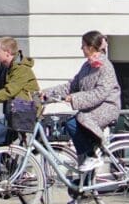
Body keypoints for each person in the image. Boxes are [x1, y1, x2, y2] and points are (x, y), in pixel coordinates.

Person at [41, 31, 121, 171]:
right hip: (93, 108)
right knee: (76, 124)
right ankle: (86, 180)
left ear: (91, 47)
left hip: (107, 107)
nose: (81, 48)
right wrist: (46, 93)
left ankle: (92, 156)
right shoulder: (87, 66)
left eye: (83, 45)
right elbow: (72, 86)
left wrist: (74, 98)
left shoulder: (106, 66)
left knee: (75, 121)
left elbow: (100, 93)